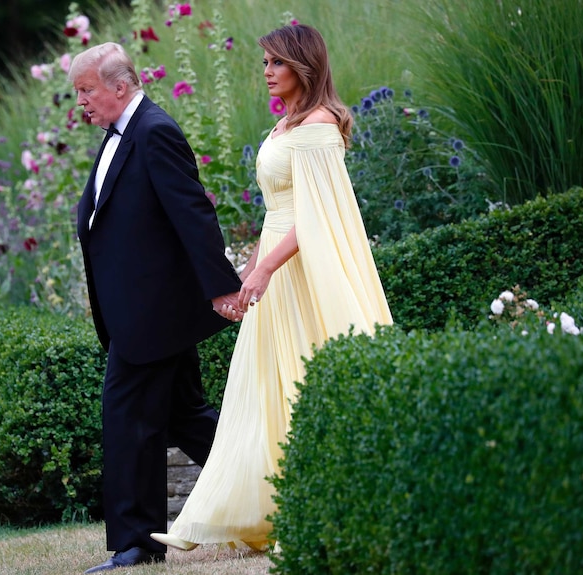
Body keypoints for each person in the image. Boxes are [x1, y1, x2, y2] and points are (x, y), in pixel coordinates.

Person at [150, 24, 394, 552]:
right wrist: (248, 270)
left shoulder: (321, 126)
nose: (265, 72)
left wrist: (266, 270)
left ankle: (326, 509)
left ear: (302, 66)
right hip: (278, 270)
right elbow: (276, 214)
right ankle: (272, 510)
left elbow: (314, 219)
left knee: (309, 378)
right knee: (269, 389)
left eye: (275, 63)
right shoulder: (286, 126)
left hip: (309, 275)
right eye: (264, 63)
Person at [66, 42, 244, 573]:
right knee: (187, 418)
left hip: (153, 314)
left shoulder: (154, 130)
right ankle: (275, 492)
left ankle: (136, 543)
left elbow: (193, 213)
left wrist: (221, 287)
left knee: (126, 420)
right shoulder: (120, 134)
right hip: (138, 312)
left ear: (120, 86)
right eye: (78, 93)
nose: (81, 102)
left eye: (87, 91)